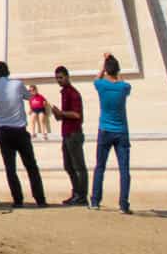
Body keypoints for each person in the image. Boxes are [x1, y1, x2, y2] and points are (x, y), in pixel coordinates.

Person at [0, 61, 46, 207]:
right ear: (8, 71)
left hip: (4, 131)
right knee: (31, 166)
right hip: (20, 130)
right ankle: (40, 199)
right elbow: (29, 97)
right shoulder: (17, 84)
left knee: (10, 168)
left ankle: (18, 200)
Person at [91, 52, 132, 214]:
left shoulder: (101, 85)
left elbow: (97, 77)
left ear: (106, 71)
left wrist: (105, 63)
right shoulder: (124, 88)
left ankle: (95, 201)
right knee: (124, 169)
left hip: (105, 130)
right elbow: (122, 82)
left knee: (100, 167)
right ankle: (123, 204)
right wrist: (114, 66)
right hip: (121, 131)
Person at [51, 65, 87, 206]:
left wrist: (62, 113)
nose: (59, 80)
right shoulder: (65, 92)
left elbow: (77, 114)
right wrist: (57, 114)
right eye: (57, 78)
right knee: (69, 166)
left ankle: (82, 196)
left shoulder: (73, 93)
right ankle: (76, 193)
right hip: (66, 133)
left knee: (78, 167)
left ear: (67, 76)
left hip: (74, 133)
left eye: (61, 77)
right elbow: (62, 117)